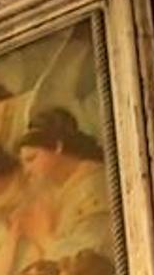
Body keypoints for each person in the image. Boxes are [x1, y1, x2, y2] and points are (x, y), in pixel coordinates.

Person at [18, 107, 109, 263]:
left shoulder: (94, 187)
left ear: (57, 147)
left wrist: (42, 237)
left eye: (32, 158)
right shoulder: (60, 192)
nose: (27, 171)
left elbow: (90, 259)